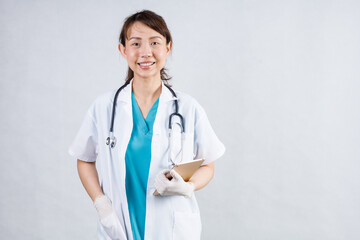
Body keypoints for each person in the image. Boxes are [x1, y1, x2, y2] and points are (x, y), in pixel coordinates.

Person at [68, 10, 225, 240]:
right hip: (119, 225)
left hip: (172, 228)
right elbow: (84, 159)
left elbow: (208, 166)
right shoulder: (103, 107)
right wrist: (101, 204)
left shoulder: (187, 108)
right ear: (123, 50)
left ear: (167, 48)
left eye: (154, 42)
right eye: (136, 43)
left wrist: (189, 187)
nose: (145, 53)